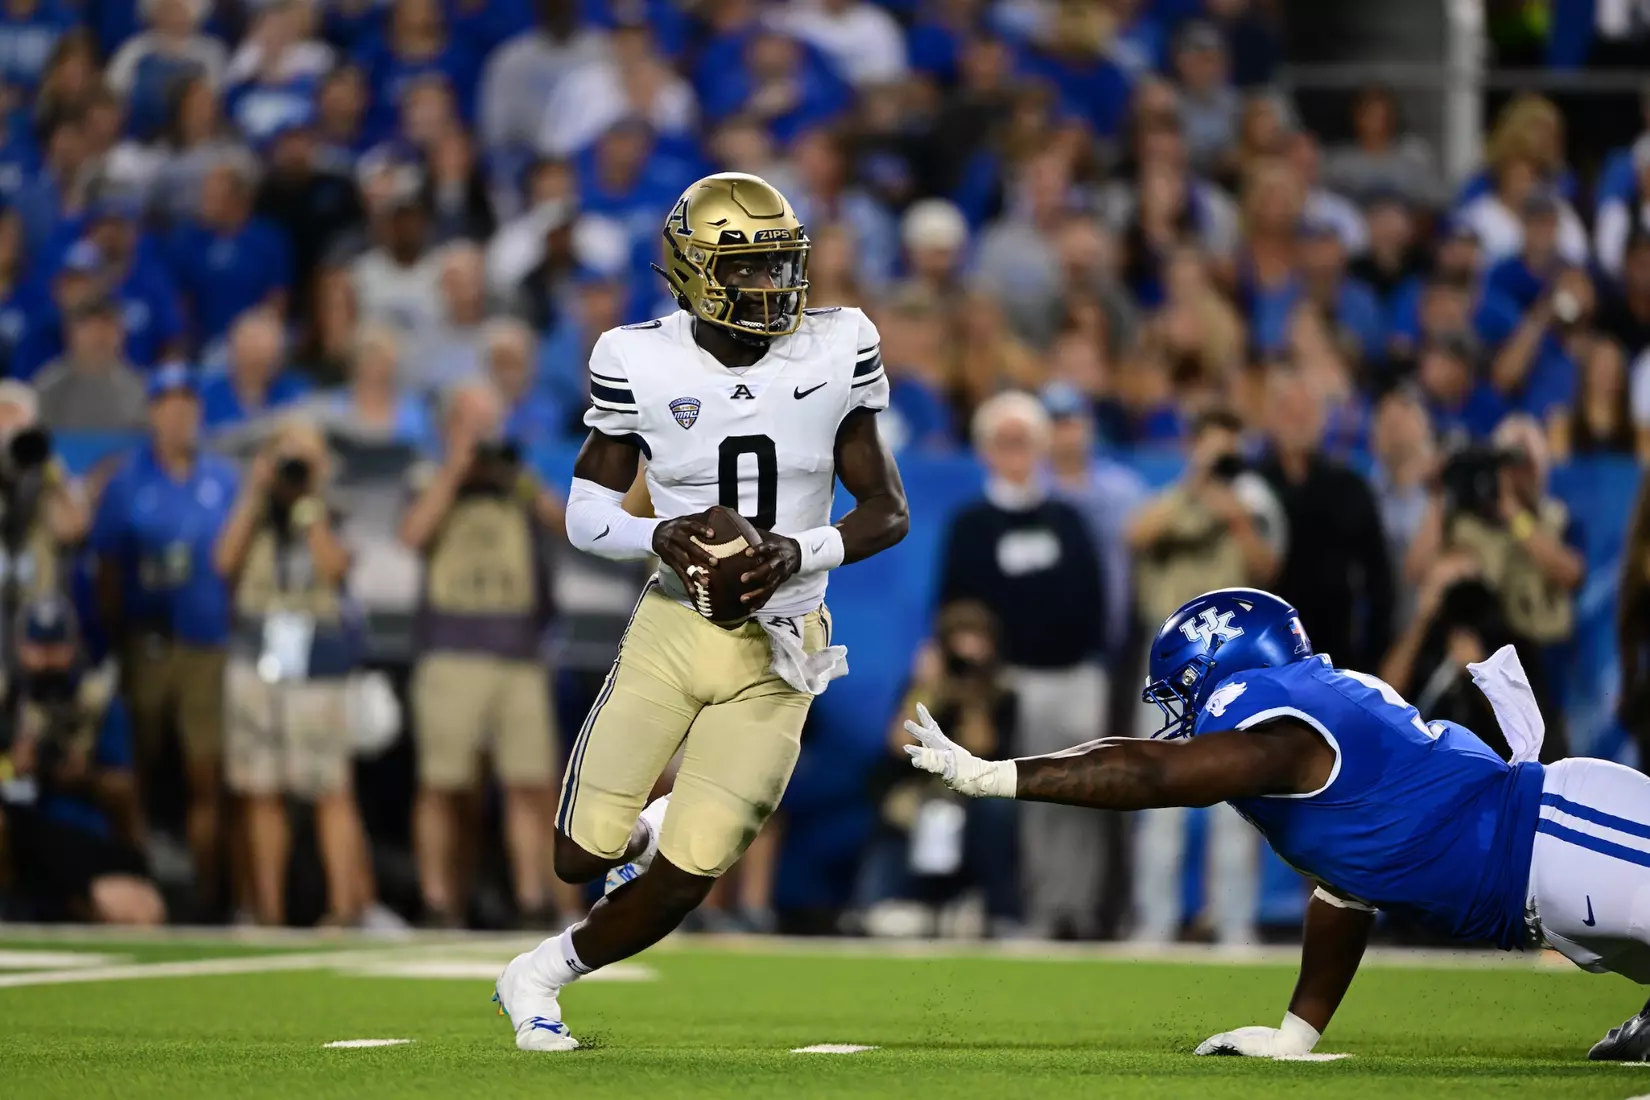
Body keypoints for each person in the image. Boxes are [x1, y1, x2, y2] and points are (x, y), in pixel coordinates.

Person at [494, 172, 908, 1050]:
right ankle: (645, 826)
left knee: (690, 872)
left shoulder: (838, 345)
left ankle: (541, 973)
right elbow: (583, 511)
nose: (772, 286)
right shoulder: (637, 357)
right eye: (747, 268)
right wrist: (659, 533)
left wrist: (796, 550)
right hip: (674, 627)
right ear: (692, 272)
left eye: (780, 264)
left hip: (783, 640)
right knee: (579, 855)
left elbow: (887, 511)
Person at [904, 585, 1650, 1061]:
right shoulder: (1307, 729)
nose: (1180, 715)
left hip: (1570, 839)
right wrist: (1298, 1032)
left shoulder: (1282, 723)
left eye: (1183, 690)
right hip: (1550, 883)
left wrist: (998, 775)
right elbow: (1345, 887)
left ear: (1224, 670)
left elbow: (1155, 773)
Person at [938, 391, 1109, 940]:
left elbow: (1095, 597)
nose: (1016, 453)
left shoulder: (1069, 519)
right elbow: (954, 610)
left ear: (1041, 447)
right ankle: (1035, 911)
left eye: (1025, 441)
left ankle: (1077, 908)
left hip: (1075, 677)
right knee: (1028, 796)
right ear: (986, 450)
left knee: (1087, 792)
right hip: (1011, 683)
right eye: (1005, 442)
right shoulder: (971, 524)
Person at [399, 380, 568, 929]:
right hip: (451, 652)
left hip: (519, 654)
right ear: (451, 426)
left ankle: (532, 899)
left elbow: (564, 523)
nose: (485, 433)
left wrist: (517, 476)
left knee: (529, 781)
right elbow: (413, 534)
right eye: (474, 423)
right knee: (442, 784)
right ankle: (437, 900)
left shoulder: (515, 482)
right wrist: (456, 467)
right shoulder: (429, 477)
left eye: (490, 422)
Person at [90, 363, 238, 919]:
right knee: (139, 769)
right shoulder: (126, 480)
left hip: (207, 642)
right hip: (146, 641)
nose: (179, 415)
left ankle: (208, 896)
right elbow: (107, 570)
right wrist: (116, 636)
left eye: (187, 404)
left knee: (207, 772)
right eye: (168, 404)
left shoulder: (224, 479)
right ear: (152, 412)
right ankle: (140, 883)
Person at [213, 416, 372, 927]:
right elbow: (223, 562)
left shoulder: (332, 508)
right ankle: (269, 913)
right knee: (260, 789)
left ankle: (343, 910)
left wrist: (310, 504)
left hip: (317, 659)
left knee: (330, 788)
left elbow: (334, 568)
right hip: (256, 655)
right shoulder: (254, 510)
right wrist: (255, 491)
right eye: (287, 454)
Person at [0, 597, 163, 925]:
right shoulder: (7, 702)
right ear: (19, 647)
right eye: (37, 647)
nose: (47, 659)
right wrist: (13, 768)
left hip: (80, 837)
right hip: (21, 833)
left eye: (56, 647)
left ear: (73, 647)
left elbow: (125, 790)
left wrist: (82, 776)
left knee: (143, 913)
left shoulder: (96, 703)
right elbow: (14, 787)